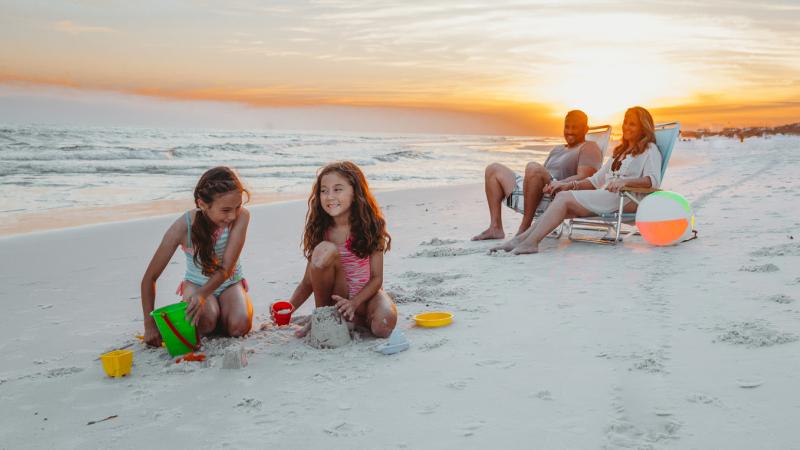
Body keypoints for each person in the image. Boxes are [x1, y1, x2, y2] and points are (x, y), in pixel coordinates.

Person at [490, 106, 662, 254]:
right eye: (625, 122)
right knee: (563, 202)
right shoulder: (620, 152)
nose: (626, 127)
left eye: (632, 124)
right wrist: (569, 185)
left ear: (643, 128)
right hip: (609, 196)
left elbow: (653, 180)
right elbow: (594, 181)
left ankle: (530, 242)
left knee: (564, 199)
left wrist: (626, 182)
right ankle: (522, 239)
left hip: (627, 198)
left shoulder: (649, 149)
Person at [141, 166, 253, 347]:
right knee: (206, 322)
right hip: (196, 284)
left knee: (239, 327)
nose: (232, 215)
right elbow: (149, 278)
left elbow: (227, 268)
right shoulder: (183, 226)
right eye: (225, 210)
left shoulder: (242, 217)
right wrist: (149, 325)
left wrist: (203, 295)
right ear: (202, 204)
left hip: (230, 282)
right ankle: (210, 310)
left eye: (237, 207)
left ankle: (224, 307)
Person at [287, 161, 397, 338]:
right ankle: (323, 316)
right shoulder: (321, 230)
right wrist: (288, 309)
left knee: (383, 328)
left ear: (355, 192)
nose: (329, 196)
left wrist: (354, 303)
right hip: (338, 299)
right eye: (324, 191)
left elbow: (377, 278)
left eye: (337, 189)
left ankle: (355, 320)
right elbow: (308, 282)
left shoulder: (371, 225)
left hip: (366, 297)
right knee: (325, 249)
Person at [472, 110, 603, 240]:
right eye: (567, 127)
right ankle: (496, 228)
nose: (569, 131)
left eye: (575, 128)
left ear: (586, 129)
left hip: (557, 191)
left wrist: (560, 184)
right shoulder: (558, 149)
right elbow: (542, 171)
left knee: (533, 167)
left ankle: (525, 228)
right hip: (539, 190)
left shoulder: (589, 147)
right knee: (493, 169)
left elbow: (585, 178)